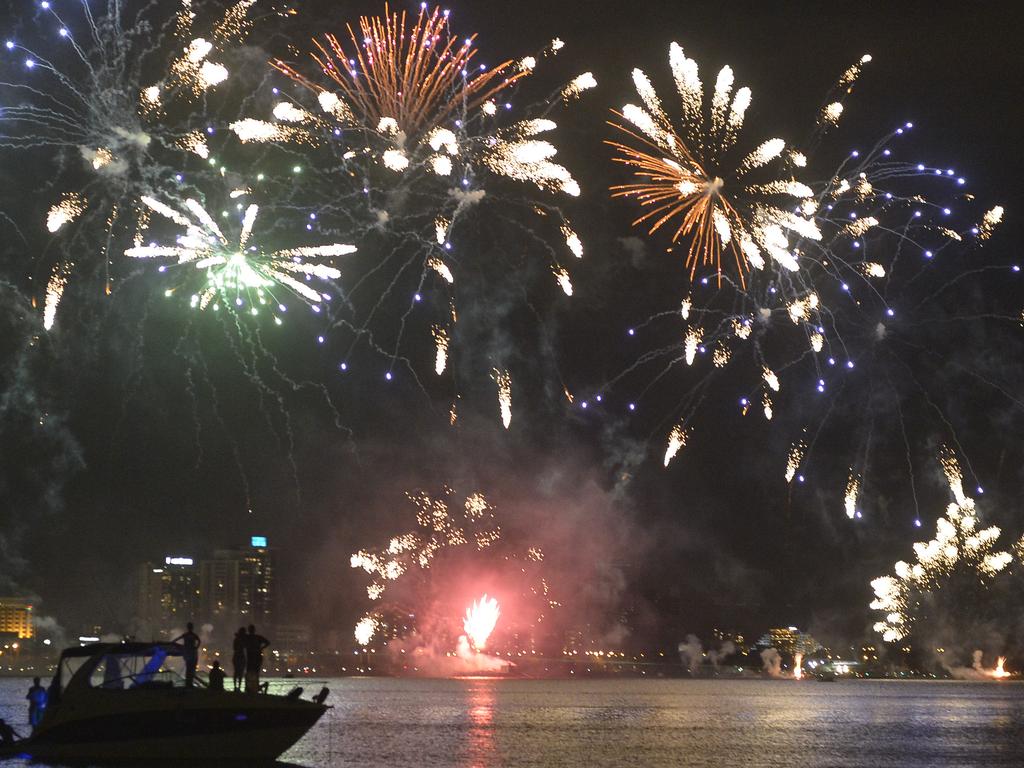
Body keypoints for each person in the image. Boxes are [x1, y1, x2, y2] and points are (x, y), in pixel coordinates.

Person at [173, 622, 201, 688]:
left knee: (189, 668)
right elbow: (199, 641)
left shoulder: (186, 635)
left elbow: (177, 639)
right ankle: (189, 683)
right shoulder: (193, 635)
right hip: (192, 654)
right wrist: (196, 647)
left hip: (188, 654)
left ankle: (188, 683)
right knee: (191, 669)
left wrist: (173, 643)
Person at [243, 625, 270, 693]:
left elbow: (240, 638)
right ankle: (255, 686)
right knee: (256, 672)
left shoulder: (247, 638)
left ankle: (249, 687)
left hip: (251, 657)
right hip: (257, 657)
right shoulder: (258, 637)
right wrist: (261, 648)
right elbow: (268, 642)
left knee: (249, 672)